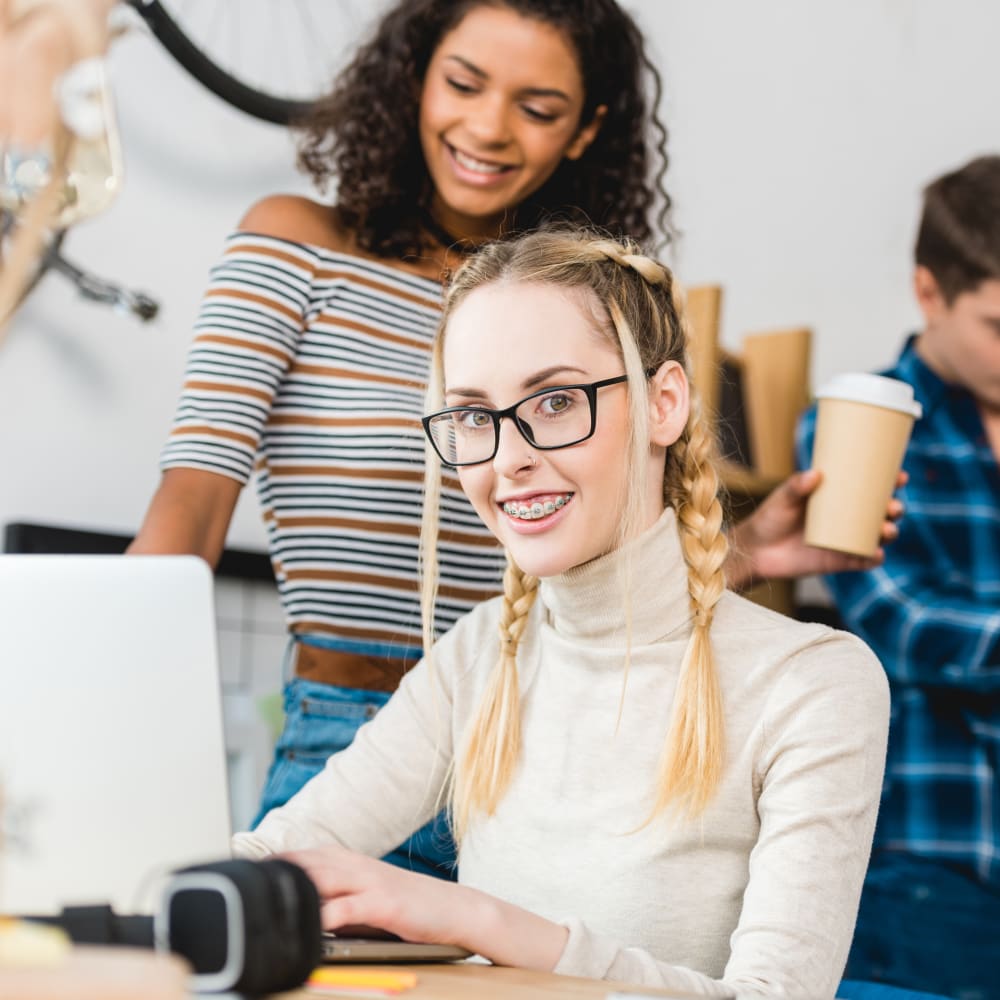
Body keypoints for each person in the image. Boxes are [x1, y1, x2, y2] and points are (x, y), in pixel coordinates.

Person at [129, 0, 898, 879]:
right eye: (462, 83)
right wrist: (116, 749)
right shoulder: (299, 248)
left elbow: (600, 573)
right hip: (347, 742)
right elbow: (188, 508)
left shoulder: (595, 308)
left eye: (537, 109)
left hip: (552, 756)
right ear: (413, 76)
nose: (488, 129)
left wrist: (747, 552)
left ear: (585, 131)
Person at [233, 227, 890, 998]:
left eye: (553, 401)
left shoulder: (813, 684)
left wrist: (479, 922)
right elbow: (278, 852)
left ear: (664, 404)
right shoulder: (480, 656)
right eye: (474, 416)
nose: (507, 458)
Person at [796, 154, 1000, 1000]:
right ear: (929, 294)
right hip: (936, 854)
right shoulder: (865, 424)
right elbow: (901, 621)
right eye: (998, 323)